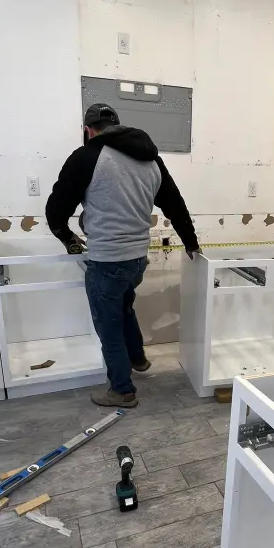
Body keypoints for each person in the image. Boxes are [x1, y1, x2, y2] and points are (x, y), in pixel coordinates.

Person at [46, 102, 200, 408]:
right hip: (137, 260)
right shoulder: (151, 159)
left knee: (108, 324)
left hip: (107, 260)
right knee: (125, 308)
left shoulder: (87, 156)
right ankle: (138, 359)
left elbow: (56, 209)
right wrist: (190, 241)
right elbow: (174, 204)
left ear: (88, 131)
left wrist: (67, 236)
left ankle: (122, 389)